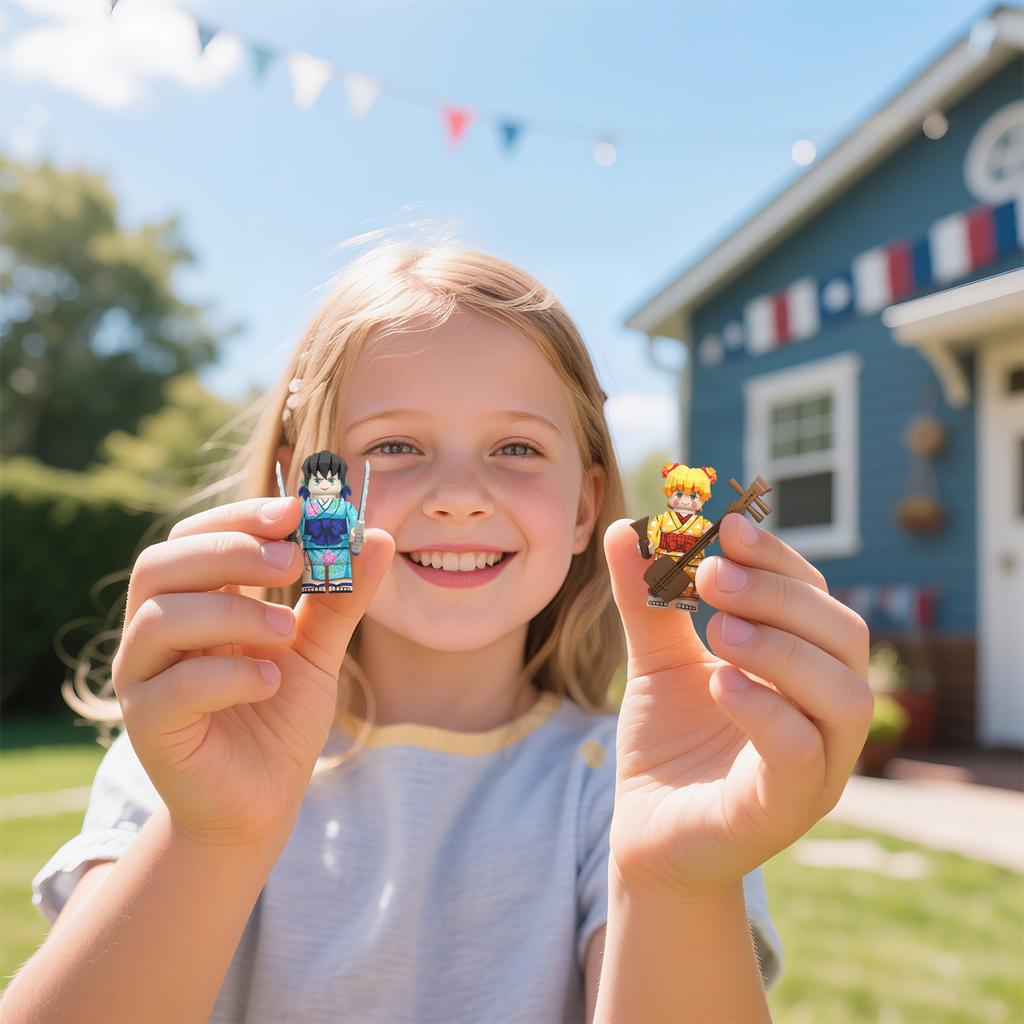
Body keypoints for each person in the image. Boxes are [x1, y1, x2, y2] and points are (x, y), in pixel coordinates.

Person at [5, 239, 872, 1024]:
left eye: (518, 449)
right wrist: (210, 837)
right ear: (311, 495)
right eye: (392, 446)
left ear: (583, 506)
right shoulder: (190, 754)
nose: (459, 493)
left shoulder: (643, 782)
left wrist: (676, 885)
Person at [644, 461, 718, 599]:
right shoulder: (663, 518)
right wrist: (650, 543)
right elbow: (652, 532)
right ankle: (658, 596)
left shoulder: (701, 523)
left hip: (691, 562)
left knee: (689, 580)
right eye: (679, 495)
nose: (685, 501)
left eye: (693, 496)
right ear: (670, 494)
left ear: (703, 499)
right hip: (665, 560)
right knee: (661, 577)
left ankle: (688, 597)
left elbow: (711, 533)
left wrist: (714, 533)